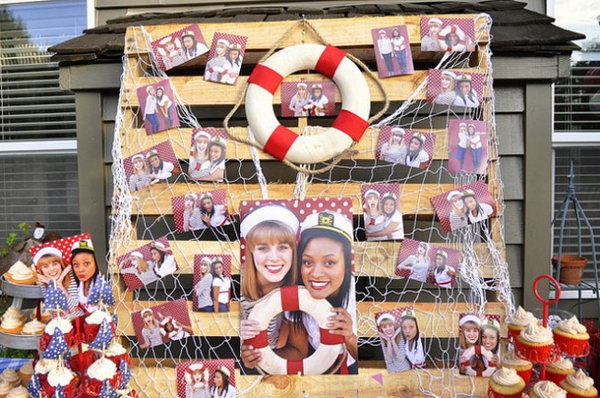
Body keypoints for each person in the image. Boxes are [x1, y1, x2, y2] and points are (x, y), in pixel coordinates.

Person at [283, 211, 359, 374]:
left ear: (346, 264)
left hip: (350, 367)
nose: (316, 273)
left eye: (330, 262)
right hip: (316, 367)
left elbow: (375, 359)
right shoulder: (296, 293)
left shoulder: (358, 295)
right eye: (308, 262)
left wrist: (350, 337)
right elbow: (299, 350)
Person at [239, 205, 299, 369]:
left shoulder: (296, 290)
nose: (273, 258)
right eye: (263, 248)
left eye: (282, 247)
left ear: (293, 250)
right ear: (251, 251)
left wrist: (258, 358)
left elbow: (290, 348)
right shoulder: (235, 283)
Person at [33, 246, 82, 318]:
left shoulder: (69, 276)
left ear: (61, 264)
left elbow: (73, 307)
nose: (52, 269)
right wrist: (52, 284)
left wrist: (59, 284)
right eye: (46, 266)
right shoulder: (43, 282)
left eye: (55, 264)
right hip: (58, 323)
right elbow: (52, 310)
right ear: (41, 270)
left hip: (77, 320)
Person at [70, 239, 100, 313]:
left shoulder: (103, 286)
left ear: (96, 263)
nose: (80, 270)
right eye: (76, 265)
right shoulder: (75, 287)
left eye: (86, 263)